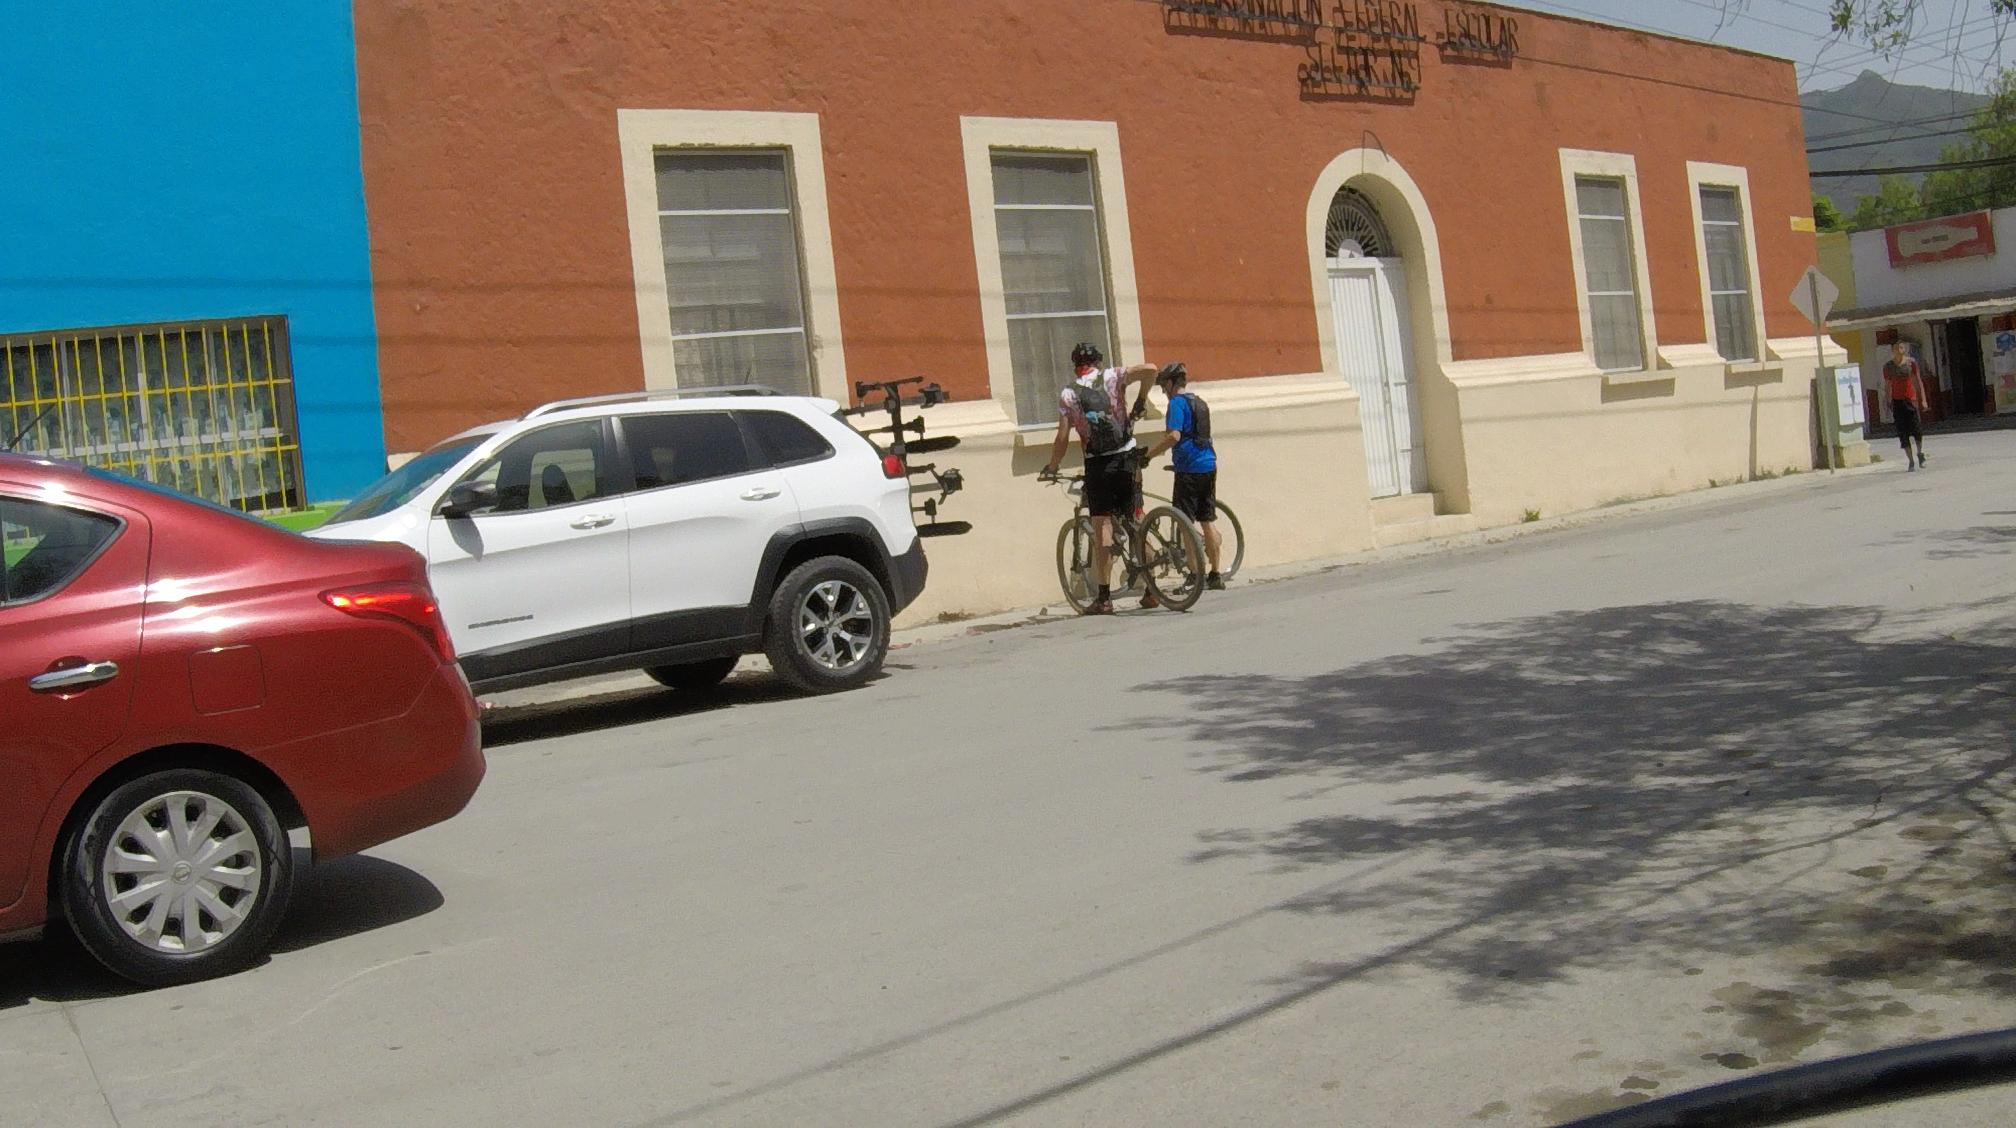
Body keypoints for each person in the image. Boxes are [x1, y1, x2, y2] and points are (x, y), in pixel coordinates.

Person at [1041, 342, 1160, 615]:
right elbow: (1152, 369)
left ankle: (1104, 599)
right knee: (1136, 521)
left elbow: (1062, 437)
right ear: (1098, 361)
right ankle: (1152, 589)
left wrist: (1052, 465)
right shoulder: (1113, 376)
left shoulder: (1068, 394)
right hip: (1127, 458)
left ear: (1075, 366)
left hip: (1098, 464)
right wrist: (1142, 398)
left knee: (1103, 528)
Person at [1139, 363, 1224, 590]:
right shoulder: (1199, 402)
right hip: (1209, 465)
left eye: (1164, 385)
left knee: (1185, 523)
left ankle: (1195, 576)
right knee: (1207, 520)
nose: (1163, 390)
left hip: (1188, 469)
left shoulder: (1176, 404)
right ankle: (1215, 574)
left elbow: (1174, 436)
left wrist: (1149, 455)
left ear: (1169, 383)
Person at [1883, 338, 1931, 470]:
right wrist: (1887, 402)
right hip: (1897, 402)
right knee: (1902, 433)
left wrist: (1923, 399)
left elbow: (1918, 381)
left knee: (1917, 430)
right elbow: (1887, 385)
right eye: (1897, 348)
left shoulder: (1911, 363)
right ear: (1893, 351)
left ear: (1905, 349)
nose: (1900, 350)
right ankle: (1910, 461)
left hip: (1911, 400)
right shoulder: (1888, 367)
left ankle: (1920, 453)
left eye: (1902, 348)